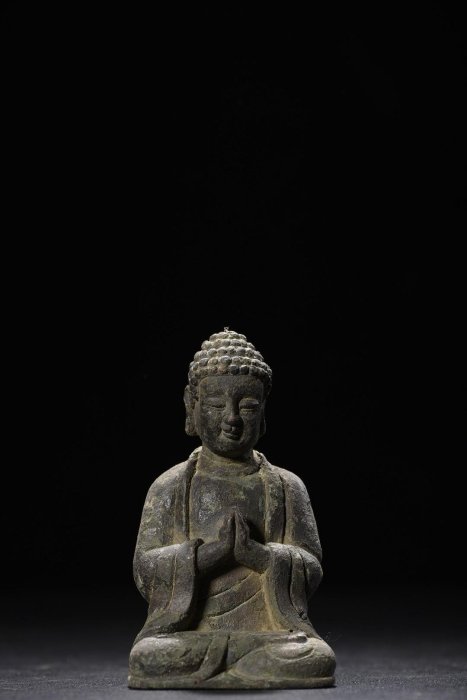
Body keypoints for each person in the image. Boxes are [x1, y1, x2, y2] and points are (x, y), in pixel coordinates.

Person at [128, 329, 336, 688]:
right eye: (215, 405)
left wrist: (259, 556)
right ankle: (239, 666)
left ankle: (229, 666)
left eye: (248, 406)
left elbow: (312, 565)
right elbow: (145, 570)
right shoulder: (170, 486)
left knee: (312, 657)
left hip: (269, 636)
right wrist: (210, 556)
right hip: (189, 634)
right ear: (191, 407)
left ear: (264, 412)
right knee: (149, 656)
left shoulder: (286, 487)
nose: (232, 418)